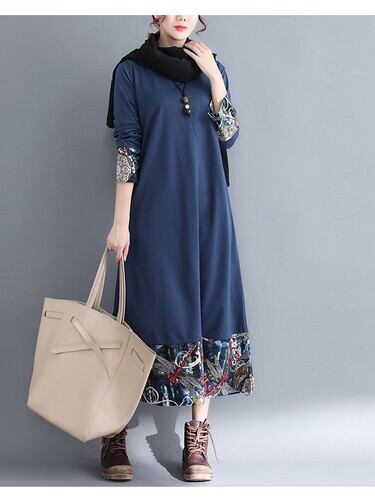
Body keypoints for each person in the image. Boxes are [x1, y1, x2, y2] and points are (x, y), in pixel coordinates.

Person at [103, 14, 255, 482]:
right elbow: (128, 146)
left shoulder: (214, 66)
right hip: (155, 211)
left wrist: (214, 80)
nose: (182, 15)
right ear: (155, 14)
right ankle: (112, 432)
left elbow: (229, 135)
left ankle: (197, 439)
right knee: (139, 316)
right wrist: (121, 222)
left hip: (209, 211)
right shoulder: (131, 70)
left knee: (209, 311)